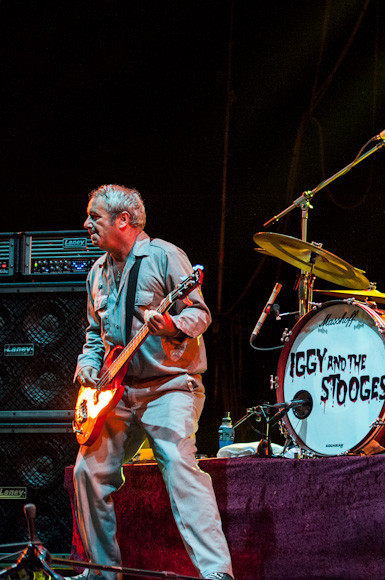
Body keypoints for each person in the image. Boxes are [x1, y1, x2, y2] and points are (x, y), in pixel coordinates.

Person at [71, 184, 234, 580]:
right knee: (85, 473)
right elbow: (96, 335)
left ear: (123, 221)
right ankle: (101, 572)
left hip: (170, 386)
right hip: (118, 393)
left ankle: (217, 573)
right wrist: (88, 365)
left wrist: (171, 324)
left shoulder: (164, 256)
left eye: (95, 216)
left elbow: (200, 314)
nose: (87, 223)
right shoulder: (96, 272)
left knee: (179, 463)